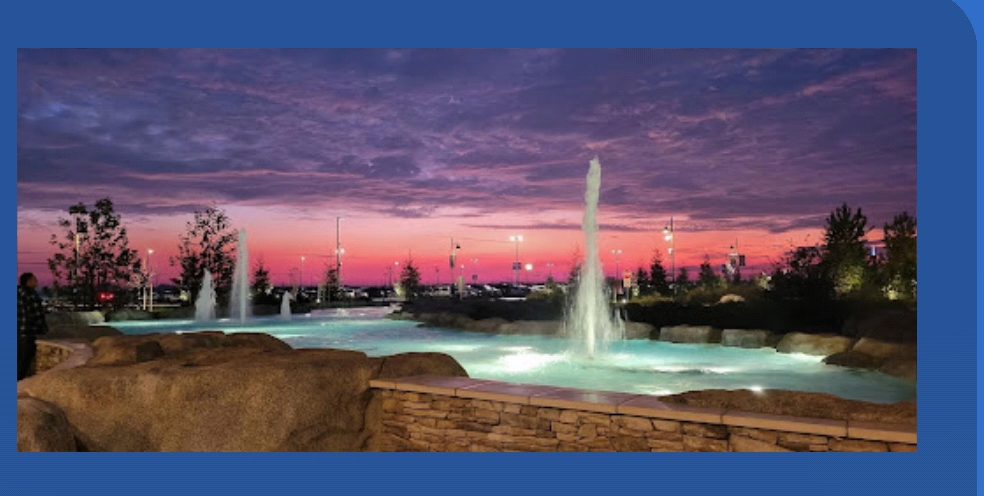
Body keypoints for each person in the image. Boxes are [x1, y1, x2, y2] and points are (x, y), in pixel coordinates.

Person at [17, 273, 48, 380]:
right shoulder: (31, 295)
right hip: (27, 331)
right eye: (34, 279)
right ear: (28, 282)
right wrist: (43, 329)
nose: (37, 281)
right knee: (24, 361)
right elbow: (37, 314)